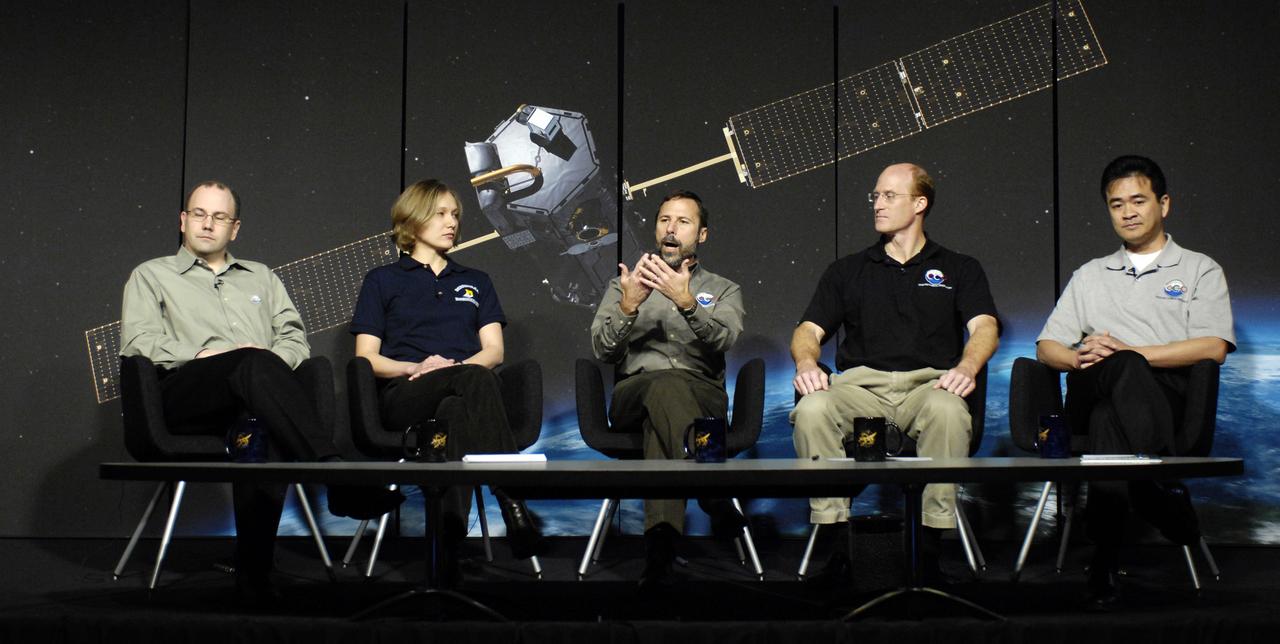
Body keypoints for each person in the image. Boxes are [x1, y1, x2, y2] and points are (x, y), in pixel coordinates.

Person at [121, 180, 403, 603]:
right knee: (249, 363)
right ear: (183, 221)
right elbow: (139, 344)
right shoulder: (152, 274)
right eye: (198, 214)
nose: (207, 224)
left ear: (234, 229)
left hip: (254, 396)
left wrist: (265, 363)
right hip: (184, 397)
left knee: (263, 419)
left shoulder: (262, 277)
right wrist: (208, 354)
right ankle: (336, 474)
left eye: (219, 217)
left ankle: (255, 574)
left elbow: (294, 340)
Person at [1036, 155, 1235, 610]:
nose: (1127, 212)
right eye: (1116, 204)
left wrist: (1131, 352)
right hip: (1090, 386)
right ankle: (1154, 487)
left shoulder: (1199, 269)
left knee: (1112, 416)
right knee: (1110, 383)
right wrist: (1079, 354)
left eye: (1138, 201)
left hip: (1166, 397)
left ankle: (1103, 562)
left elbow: (1213, 347)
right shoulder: (1089, 275)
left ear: (1163, 204)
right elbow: (1047, 347)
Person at [790, 163, 1000, 584]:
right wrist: (807, 362)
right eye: (876, 196)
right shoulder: (848, 270)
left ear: (920, 203)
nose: (878, 204)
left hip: (928, 385)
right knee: (813, 408)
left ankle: (929, 552)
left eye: (889, 196)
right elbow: (807, 331)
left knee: (948, 410)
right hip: (860, 389)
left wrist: (967, 366)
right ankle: (838, 548)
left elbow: (985, 327)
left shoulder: (960, 267)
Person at [350, 179, 542, 586]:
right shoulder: (382, 280)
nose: (451, 222)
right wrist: (416, 369)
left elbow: (494, 352)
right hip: (405, 395)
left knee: (454, 409)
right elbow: (366, 358)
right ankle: (514, 504)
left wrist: (454, 371)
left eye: (455, 214)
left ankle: (448, 543)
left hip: (462, 389)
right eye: (440, 213)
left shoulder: (476, 280)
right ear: (413, 219)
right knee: (466, 385)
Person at [589, 190, 747, 588]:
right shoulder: (623, 285)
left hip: (702, 396)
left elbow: (724, 341)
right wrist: (627, 307)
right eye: (664, 220)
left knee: (662, 420)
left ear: (702, 234)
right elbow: (602, 349)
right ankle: (711, 488)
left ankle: (659, 551)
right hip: (633, 396)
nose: (670, 229)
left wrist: (687, 302)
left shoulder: (724, 289)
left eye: (683, 222)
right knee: (661, 384)